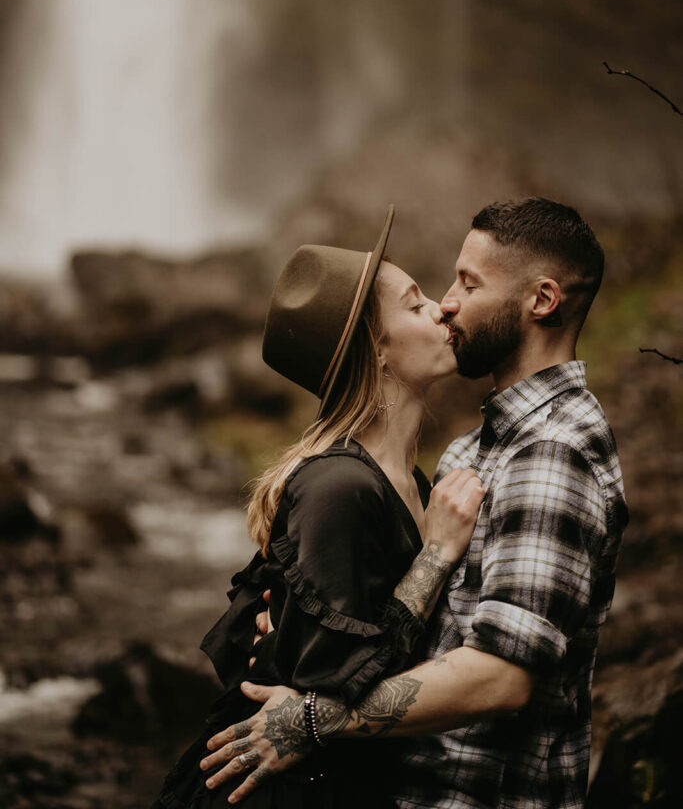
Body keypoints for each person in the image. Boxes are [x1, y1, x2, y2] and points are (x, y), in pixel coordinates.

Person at [201, 197, 629, 809]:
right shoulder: (465, 455)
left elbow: (502, 677)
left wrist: (314, 717)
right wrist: (289, 635)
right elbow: (387, 627)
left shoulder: (553, 453)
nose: (447, 302)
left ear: (541, 301)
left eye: (467, 282)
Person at [150, 206, 485, 809]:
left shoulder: (408, 480)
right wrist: (434, 556)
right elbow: (333, 681)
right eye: (414, 305)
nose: (442, 309)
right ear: (375, 352)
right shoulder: (340, 488)